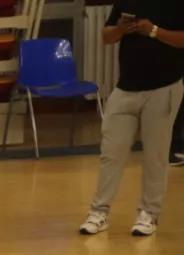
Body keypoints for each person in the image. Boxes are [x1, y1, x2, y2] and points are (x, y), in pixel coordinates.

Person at [79, 2, 184, 237]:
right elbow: (106, 36)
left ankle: (149, 213)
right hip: (126, 87)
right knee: (111, 152)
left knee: (156, 154)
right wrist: (120, 29)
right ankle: (99, 211)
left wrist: (154, 31)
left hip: (164, 87)